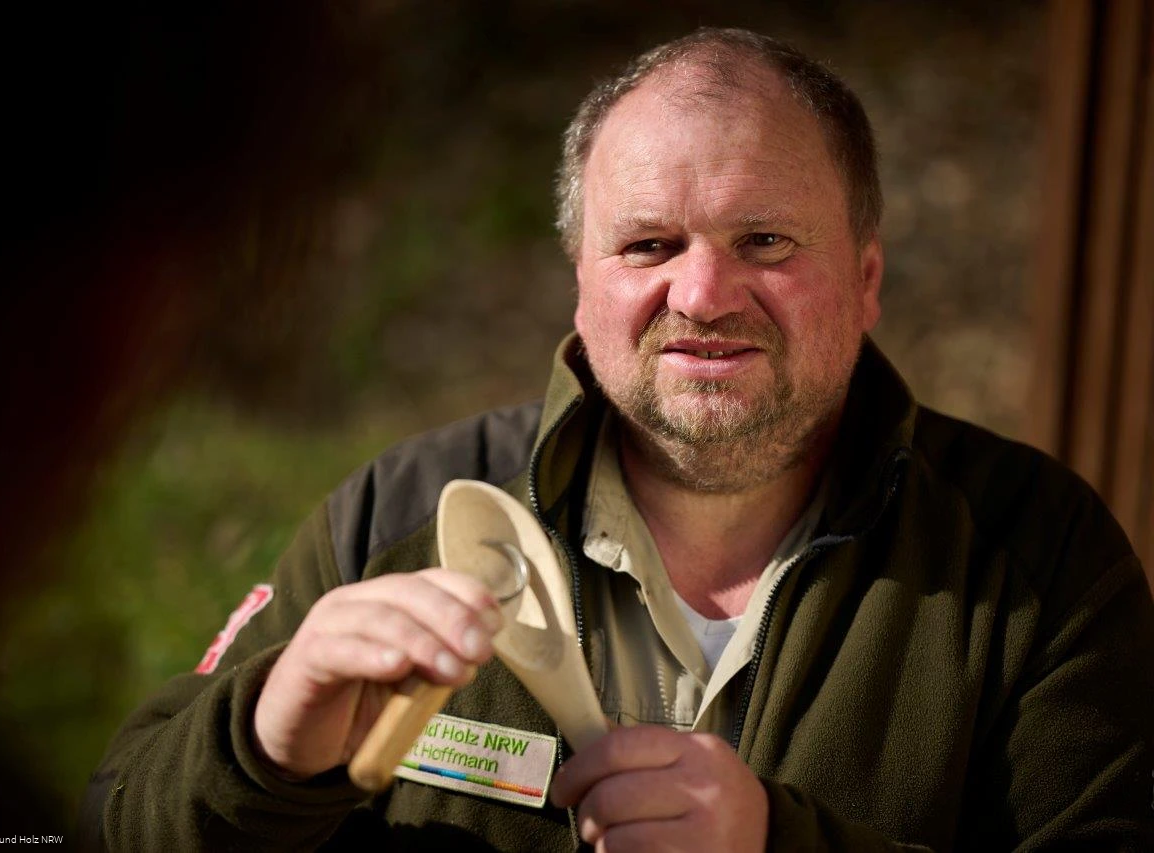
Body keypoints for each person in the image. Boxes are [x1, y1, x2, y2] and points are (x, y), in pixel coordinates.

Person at [82, 27, 1154, 851]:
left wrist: (780, 844)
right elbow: (112, 823)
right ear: (581, 282)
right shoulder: (398, 516)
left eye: (764, 240)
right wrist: (265, 749)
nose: (702, 293)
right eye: (648, 244)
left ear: (865, 278)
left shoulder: (1037, 554)